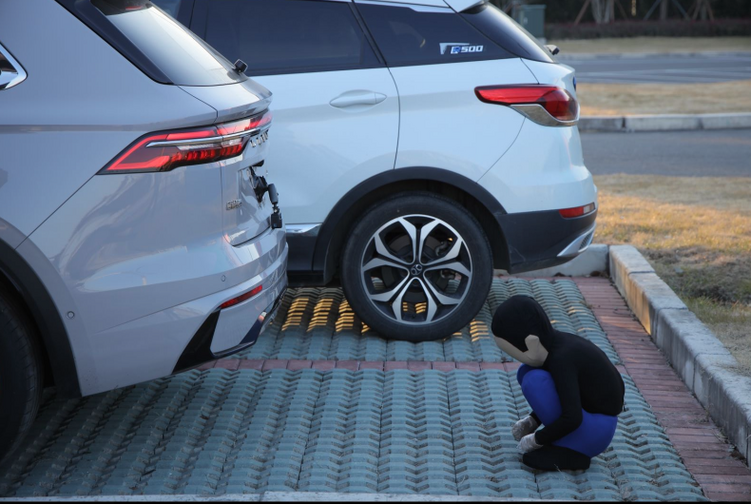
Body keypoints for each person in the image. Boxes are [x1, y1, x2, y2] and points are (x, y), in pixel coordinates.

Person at [491, 295, 625, 471]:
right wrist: (532, 420)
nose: (517, 358)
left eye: (517, 353)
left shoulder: (562, 360)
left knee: (534, 381)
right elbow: (566, 394)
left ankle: (576, 452)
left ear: (532, 342)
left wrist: (538, 439)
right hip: (591, 417)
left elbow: (572, 417)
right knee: (527, 371)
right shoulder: (558, 345)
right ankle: (567, 443)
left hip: (596, 431)